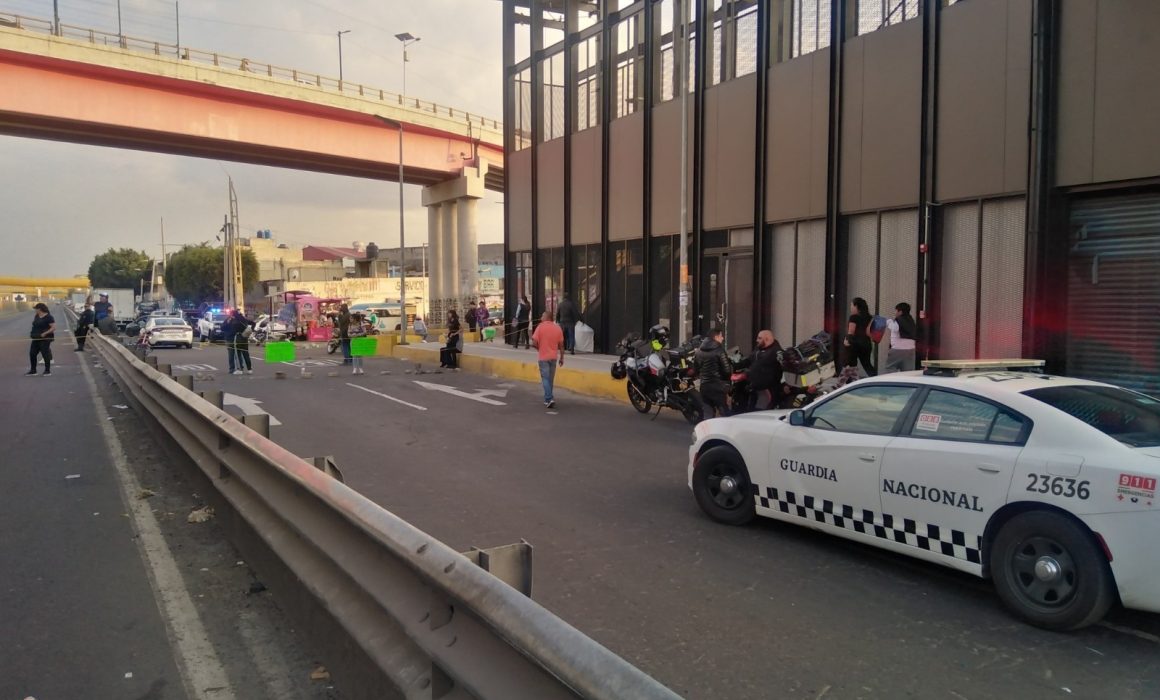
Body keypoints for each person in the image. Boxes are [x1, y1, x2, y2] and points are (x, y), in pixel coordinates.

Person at [734, 330, 784, 410]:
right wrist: (734, 366)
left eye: (759, 338)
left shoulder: (777, 352)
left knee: (761, 412)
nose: (757, 340)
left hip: (767, 390)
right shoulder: (758, 348)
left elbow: (784, 368)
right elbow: (749, 360)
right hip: (754, 388)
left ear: (767, 339)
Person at [695, 326, 733, 418]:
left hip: (704, 386)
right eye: (721, 336)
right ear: (716, 337)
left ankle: (707, 431)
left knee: (708, 413)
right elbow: (727, 370)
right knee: (724, 412)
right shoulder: (719, 351)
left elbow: (696, 369)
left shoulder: (699, 351)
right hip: (718, 386)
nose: (723, 338)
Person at [530, 310, 565, 409]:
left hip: (543, 357)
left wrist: (539, 349)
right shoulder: (557, 328)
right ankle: (547, 399)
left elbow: (534, 342)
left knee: (545, 378)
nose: (541, 317)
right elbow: (561, 346)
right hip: (553, 357)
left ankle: (549, 398)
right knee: (550, 379)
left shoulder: (540, 327)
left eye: (542, 315)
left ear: (547, 317)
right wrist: (562, 358)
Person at [843, 297, 876, 377]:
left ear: (856, 306)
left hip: (854, 344)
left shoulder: (854, 317)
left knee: (850, 365)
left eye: (852, 305)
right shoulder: (870, 318)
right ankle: (876, 379)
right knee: (867, 365)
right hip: (866, 344)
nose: (851, 308)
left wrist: (846, 340)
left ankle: (842, 385)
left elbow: (851, 331)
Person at [884, 302, 917, 373]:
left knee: (890, 368)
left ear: (900, 312)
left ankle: (892, 383)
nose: (895, 312)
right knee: (907, 371)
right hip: (910, 349)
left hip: (898, 348)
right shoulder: (911, 320)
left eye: (896, 310)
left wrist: (888, 322)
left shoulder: (899, 320)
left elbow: (895, 328)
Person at [27, 303, 56, 376]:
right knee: (32, 353)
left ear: (39, 309)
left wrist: (45, 333)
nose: (35, 310)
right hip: (36, 338)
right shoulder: (37, 316)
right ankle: (33, 370)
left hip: (45, 338)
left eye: (36, 309)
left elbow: (53, 328)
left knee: (45, 354)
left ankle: (47, 370)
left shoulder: (49, 317)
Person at [229, 308, 255, 375]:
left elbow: (232, 330)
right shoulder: (244, 319)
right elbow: (253, 323)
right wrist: (251, 330)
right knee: (246, 354)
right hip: (245, 338)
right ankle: (249, 369)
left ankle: (240, 370)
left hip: (238, 337)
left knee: (238, 354)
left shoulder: (234, 321)